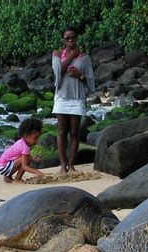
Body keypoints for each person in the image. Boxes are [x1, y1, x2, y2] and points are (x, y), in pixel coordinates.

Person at [51, 27, 95, 173]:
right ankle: (63, 166)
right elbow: (58, 72)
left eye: (73, 37)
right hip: (62, 97)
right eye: (67, 38)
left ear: (77, 38)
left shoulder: (85, 58)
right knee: (62, 131)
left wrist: (80, 75)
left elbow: (90, 80)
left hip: (77, 98)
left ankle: (72, 165)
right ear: (63, 40)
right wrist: (72, 55)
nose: (70, 40)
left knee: (75, 132)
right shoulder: (57, 54)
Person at [0, 117, 45, 183]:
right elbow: (24, 166)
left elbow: (20, 156)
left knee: (28, 157)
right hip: (3, 167)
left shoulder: (21, 142)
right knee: (28, 159)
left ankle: (7, 177)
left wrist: (34, 158)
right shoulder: (25, 147)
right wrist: (37, 172)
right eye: (35, 138)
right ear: (26, 135)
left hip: (1, 166)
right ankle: (17, 179)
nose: (37, 140)